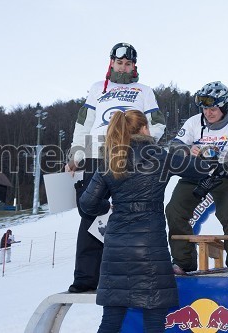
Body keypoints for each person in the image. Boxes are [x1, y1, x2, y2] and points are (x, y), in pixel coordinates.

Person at [79, 110, 217, 333]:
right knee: (154, 321)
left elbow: (87, 204)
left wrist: (108, 206)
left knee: (111, 320)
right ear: (144, 129)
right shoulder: (160, 156)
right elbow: (202, 170)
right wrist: (200, 154)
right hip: (150, 249)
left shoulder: (111, 159)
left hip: (116, 250)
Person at [65, 42, 166, 293]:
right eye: (119, 62)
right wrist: (76, 153)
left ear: (134, 66)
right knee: (90, 214)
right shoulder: (97, 88)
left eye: (128, 63)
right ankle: (86, 278)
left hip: (129, 155)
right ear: (111, 63)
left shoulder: (144, 90)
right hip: (97, 153)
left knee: (131, 212)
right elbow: (84, 123)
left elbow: (157, 123)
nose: (124, 66)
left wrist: (144, 146)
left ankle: (132, 277)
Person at [166, 81, 228, 275]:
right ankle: (183, 261)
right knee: (174, 209)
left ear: (224, 107)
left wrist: (221, 166)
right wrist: (188, 149)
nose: (208, 113)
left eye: (213, 108)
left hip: (222, 177)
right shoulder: (193, 122)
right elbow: (174, 146)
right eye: (205, 108)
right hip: (194, 174)